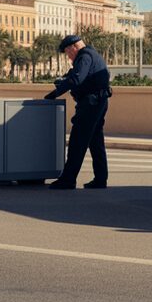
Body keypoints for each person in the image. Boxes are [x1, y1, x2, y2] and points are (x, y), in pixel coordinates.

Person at [45, 35, 111, 190]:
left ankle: (68, 180)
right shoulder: (93, 54)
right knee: (95, 142)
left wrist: (55, 93)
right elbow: (79, 75)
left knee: (77, 141)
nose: (69, 57)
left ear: (73, 47)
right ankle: (100, 179)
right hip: (100, 101)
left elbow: (77, 78)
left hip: (91, 103)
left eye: (68, 53)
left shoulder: (84, 56)